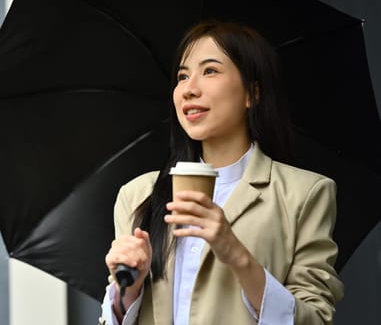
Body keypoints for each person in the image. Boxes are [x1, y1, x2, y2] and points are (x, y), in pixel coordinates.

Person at [99, 20, 344, 325]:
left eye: (210, 70)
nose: (189, 89)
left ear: (251, 94)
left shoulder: (305, 194)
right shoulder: (138, 195)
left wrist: (236, 254)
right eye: (182, 76)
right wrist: (128, 290)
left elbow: (315, 319)